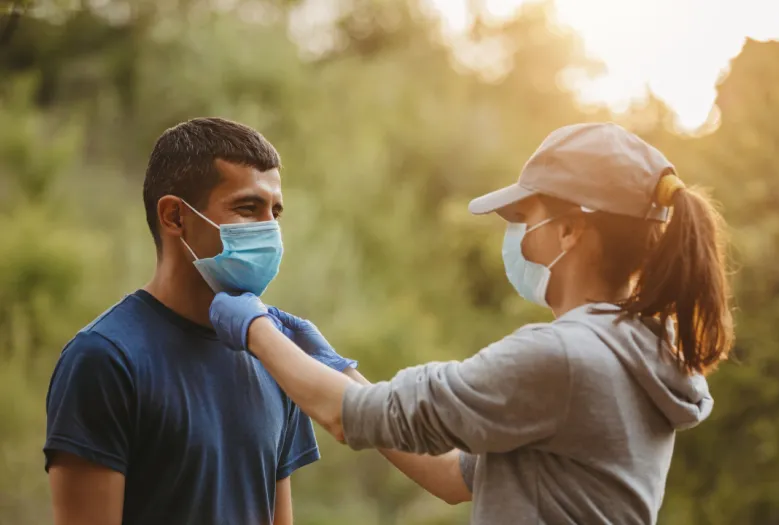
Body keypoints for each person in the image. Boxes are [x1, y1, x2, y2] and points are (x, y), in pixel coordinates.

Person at [208, 122, 735, 525]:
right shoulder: (640, 353)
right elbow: (452, 476)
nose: (520, 241)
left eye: (527, 221)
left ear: (571, 228)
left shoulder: (565, 358)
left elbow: (352, 418)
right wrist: (335, 366)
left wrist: (258, 331)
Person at [45, 117, 472, 525]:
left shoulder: (276, 358)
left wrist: (335, 368)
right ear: (175, 216)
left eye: (276, 212)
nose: (270, 229)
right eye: (248, 208)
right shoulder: (105, 359)